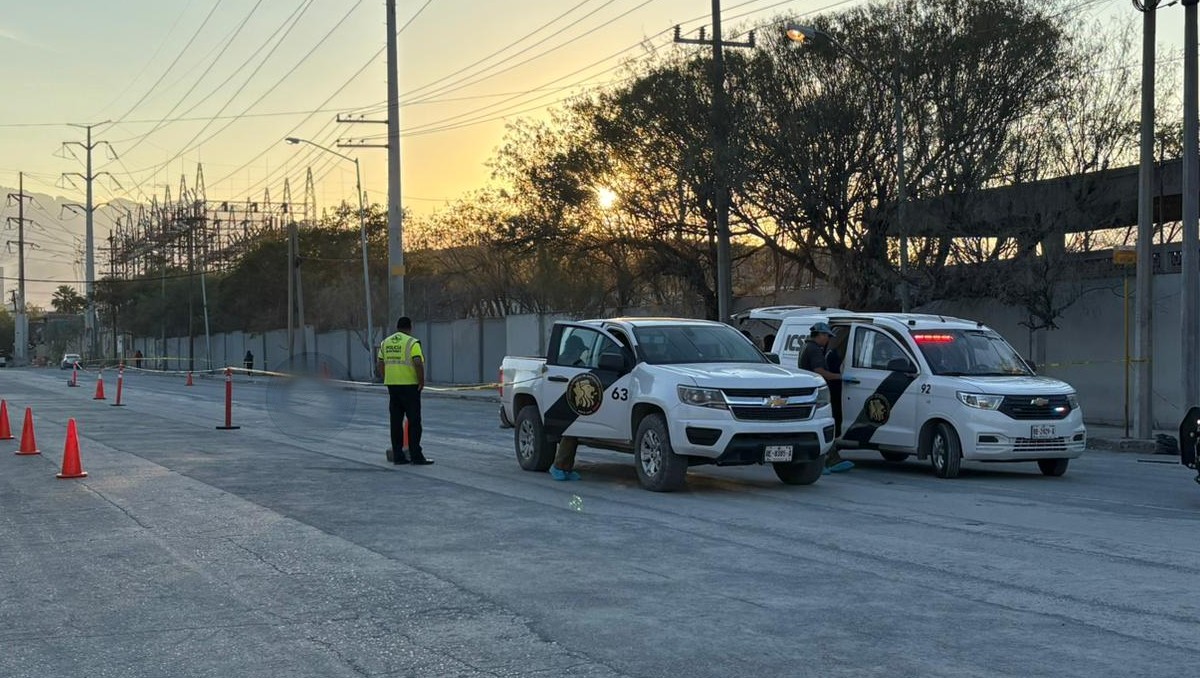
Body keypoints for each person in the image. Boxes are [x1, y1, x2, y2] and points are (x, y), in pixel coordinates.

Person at [377, 316, 432, 466]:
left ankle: (399, 456)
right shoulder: (412, 342)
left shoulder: (385, 343)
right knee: (414, 422)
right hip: (410, 387)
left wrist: (386, 377)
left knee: (395, 421)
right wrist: (421, 381)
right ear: (410, 327)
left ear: (397, 327)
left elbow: (380, 363)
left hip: (392, 386)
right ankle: (416, 456)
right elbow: (417, 362)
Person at [798, 322, 853, 474]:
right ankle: (828, 460)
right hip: (816, 393)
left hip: (808, 392)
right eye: (827, 336)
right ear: (820, 335)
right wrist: (840, 377)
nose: (828, 339)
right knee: (824, 425)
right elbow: (820, 371)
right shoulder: (815, 350)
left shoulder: (806, 346)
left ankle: (828, 459)